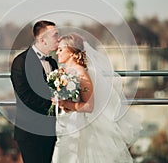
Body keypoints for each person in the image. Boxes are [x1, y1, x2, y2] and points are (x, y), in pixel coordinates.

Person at [52, 33, 142, 163]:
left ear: (72, 52)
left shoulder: (81, 74)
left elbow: (89, 106)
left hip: (82, 127)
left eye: (61, 49)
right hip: (68, 123)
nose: (57, 52)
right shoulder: (65, 72)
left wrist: (65, 103)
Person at [10, 20, 59, 163]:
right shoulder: (20, 62)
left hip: (50, 129)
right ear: (42, 40)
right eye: (55, 35)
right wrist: (53, 104)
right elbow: (25, 96)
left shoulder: (53, 62)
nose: (59, 38)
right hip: (30, 131)